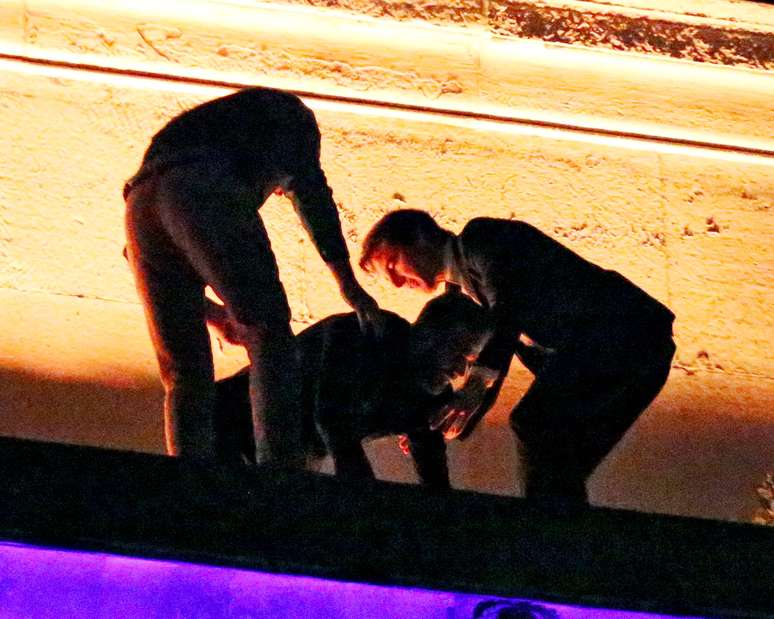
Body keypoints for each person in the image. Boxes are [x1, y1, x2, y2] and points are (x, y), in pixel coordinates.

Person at [123, 87, 381, 466]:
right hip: (203, 187)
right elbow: (312, 196)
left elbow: (140, 255)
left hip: (139, 204)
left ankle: (186, 474)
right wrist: (348, 283)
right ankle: (278, 468)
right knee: (270, 336)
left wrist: (214, 315)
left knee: (184, 373)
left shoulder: (197, 131)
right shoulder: (295, 118)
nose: (276, 191)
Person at [359, 209, 675, 503]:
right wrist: (447, 417)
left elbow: (508, 315)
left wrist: (474, 389)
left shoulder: (480, 239)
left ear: (420, 236)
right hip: (629, 353)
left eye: (393, 265)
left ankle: (541, 529)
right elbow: (501, 345)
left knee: (534, 424)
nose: (398, 283)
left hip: (625, 332)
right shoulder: (467, 294)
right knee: (560, 461)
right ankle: (561, 537)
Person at [212, 290, 493, 488]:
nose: (459, 371)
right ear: (428, 334)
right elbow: (331, 416)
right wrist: (361, 492)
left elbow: (433, 472)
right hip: (225, 420)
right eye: (457, 353)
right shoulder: (365, 332)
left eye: (467, 362)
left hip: (285, 452)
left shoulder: (432, 395)